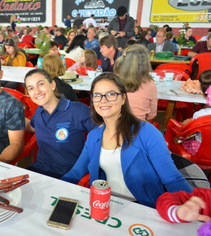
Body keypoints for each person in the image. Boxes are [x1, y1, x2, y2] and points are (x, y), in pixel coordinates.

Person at [61, 72, 192, 208]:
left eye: (111, 94)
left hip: (143, 208)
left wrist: (194, 207)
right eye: (97, 95)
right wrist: (55, 188)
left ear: (123, 98)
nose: (103, 100)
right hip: (104, 204)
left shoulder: (147, 132)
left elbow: (173, 180)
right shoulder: (94, 136)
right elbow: (76, 173)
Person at [24, 68, 95, 178]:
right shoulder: (39, 111)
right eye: (31, 88)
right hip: (37, 171)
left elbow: (101, 138)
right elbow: (32, 127)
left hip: (66, 176)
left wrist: (77, 173)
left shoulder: (78, 110)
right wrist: (10, 116)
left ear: (52, 84)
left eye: (41, 84)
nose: (37, 91)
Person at [114, 44, 157, 121]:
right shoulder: (150, 85)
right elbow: (152, 114)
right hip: (138, 128)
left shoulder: (114, 80)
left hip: (114, 126)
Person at [180, 70, 211, 155]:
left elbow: (189, 132)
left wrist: (187, 123)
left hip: (201, 150)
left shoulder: (199, 115)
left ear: (204, 94)